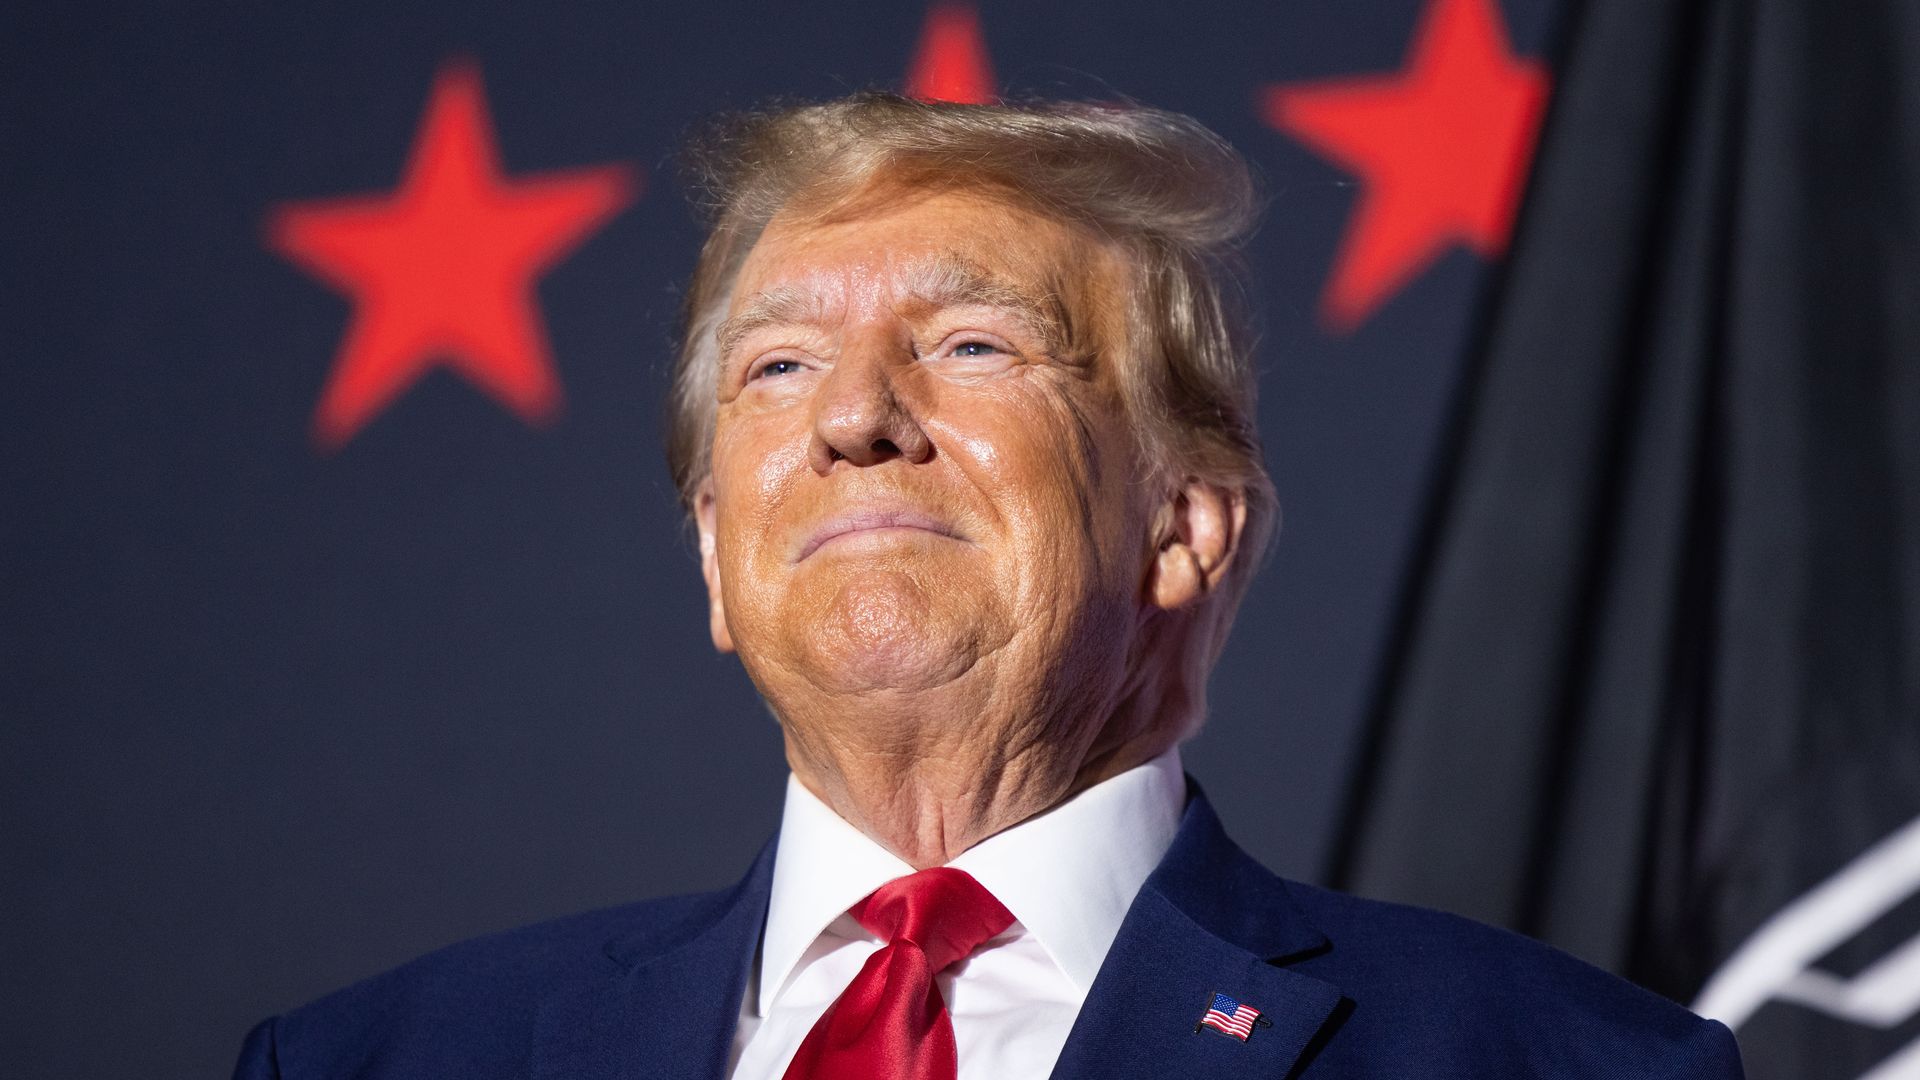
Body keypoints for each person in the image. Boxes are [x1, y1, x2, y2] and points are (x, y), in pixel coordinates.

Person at [232, 93, 1744, 1079]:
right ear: (712, 550)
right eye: (777, 366)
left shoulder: (1561, 1065)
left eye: (971, 346)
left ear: (1186, 523)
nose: (852, 416)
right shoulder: (375, 1061)